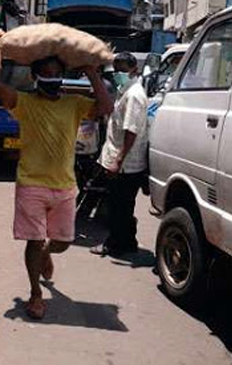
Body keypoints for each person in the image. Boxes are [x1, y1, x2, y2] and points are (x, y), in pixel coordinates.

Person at [0, 51, 113, 319]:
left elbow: (106, 107)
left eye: (57, 73)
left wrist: (91, 71)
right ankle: (35, 294)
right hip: (31, 183)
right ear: (34, 76)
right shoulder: (24, 102)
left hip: (65, 185)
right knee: (33, 241)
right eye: (47, 73)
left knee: (62, 241)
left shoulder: (74, 103)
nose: (52, 78)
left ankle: (47, 251)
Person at [90, 52, 150, 257]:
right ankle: (127, 242)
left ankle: (114, 244)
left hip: (126, 165)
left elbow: (131, 132)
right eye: (116, 70)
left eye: (123, 70)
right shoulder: (125, 91)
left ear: (134, 70)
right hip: (123, 162)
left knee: (118, 208)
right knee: (123, 206)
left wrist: (118, 161)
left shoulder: (133, 95)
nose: (118, 74)